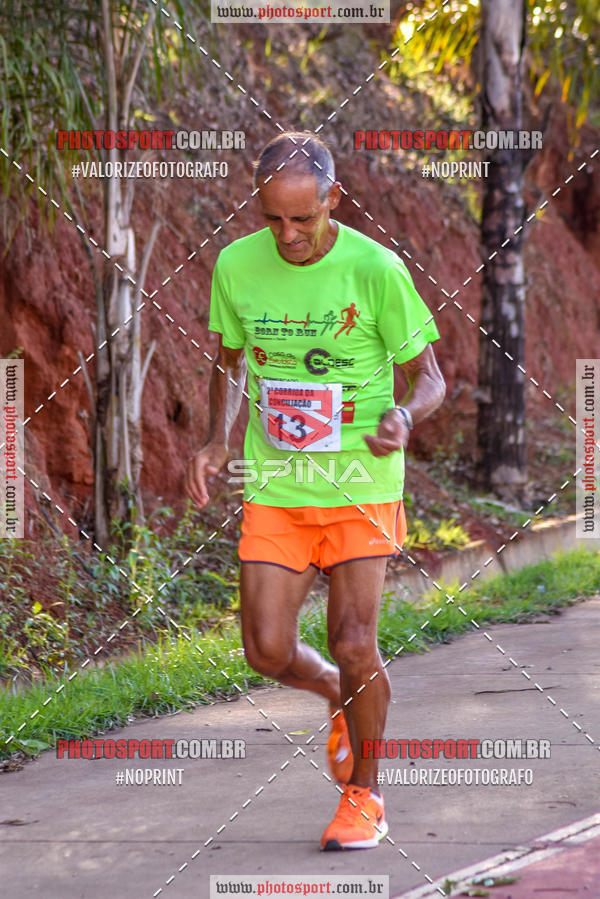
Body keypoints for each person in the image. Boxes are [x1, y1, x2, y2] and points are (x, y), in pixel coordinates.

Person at [185, 131, 445, 851]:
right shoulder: (237, 265)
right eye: (273, 219)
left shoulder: (375, 268)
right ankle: (338, 694)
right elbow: (229, 360)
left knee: (354, 639)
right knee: (266, 649)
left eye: (303, 218)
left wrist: (403, 413)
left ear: (333, 198)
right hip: (276, 481)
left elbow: (432, 377)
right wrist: (214, 438)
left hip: (361, 480)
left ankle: (364, 793)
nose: (288, 234)